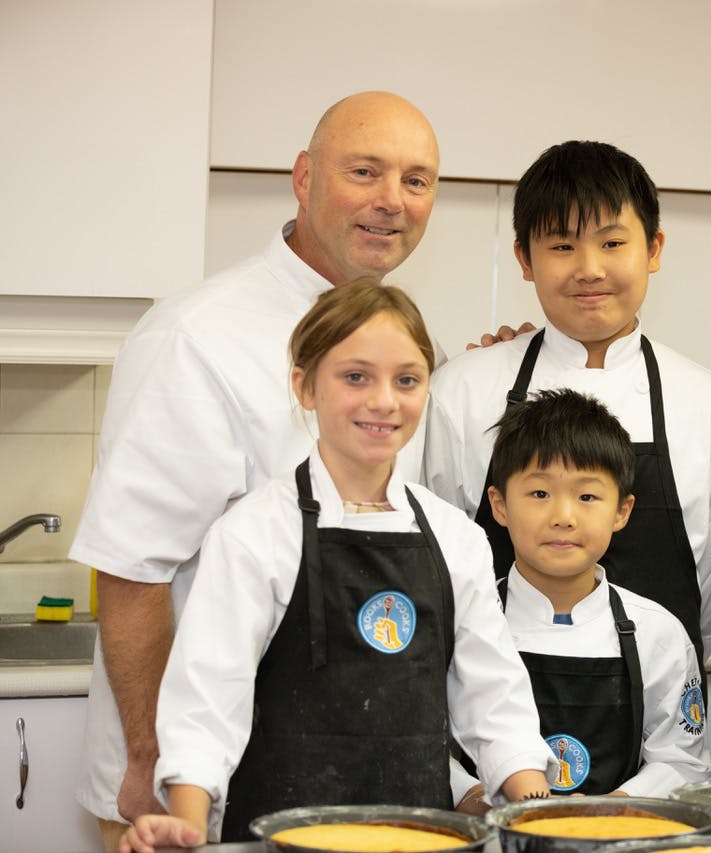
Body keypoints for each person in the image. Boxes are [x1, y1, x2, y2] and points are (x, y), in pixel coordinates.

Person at [69, 91, 444, 848]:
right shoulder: (199, 336)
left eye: (416, 179)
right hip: (195, 779)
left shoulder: (398, 345)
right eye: (365, 171)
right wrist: (154, 756)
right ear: (304, 178)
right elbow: (133, 568)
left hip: (341, 769)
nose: (391, 201)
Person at [118, 282, 553, 853]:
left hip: (419, 837)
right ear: (304, 385)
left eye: (407, 379)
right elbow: (207, 698)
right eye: (355, 377)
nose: (384, 401)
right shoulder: (255, 533)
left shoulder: (457, 540)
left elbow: (496, 703)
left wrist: (542, 815)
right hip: (276, 834)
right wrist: (189, 825)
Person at [423, 140, 711, 667]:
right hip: (491, 708)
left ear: (653, 249)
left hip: (656, 721)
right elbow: (435, 565)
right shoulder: (462, 391)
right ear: (524, 260)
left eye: (612, 243)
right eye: (561, 246)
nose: (589, 269)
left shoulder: (709, 405)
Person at [478, 388, 711, 797]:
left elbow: (682, 762)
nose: (563, 517)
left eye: (587, 496)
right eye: (539, 494)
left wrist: (610, 810)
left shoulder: (658, 633)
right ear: (499, 505)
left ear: (622, 511)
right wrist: (473, 797)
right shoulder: (469, 621)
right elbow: (428, 740)